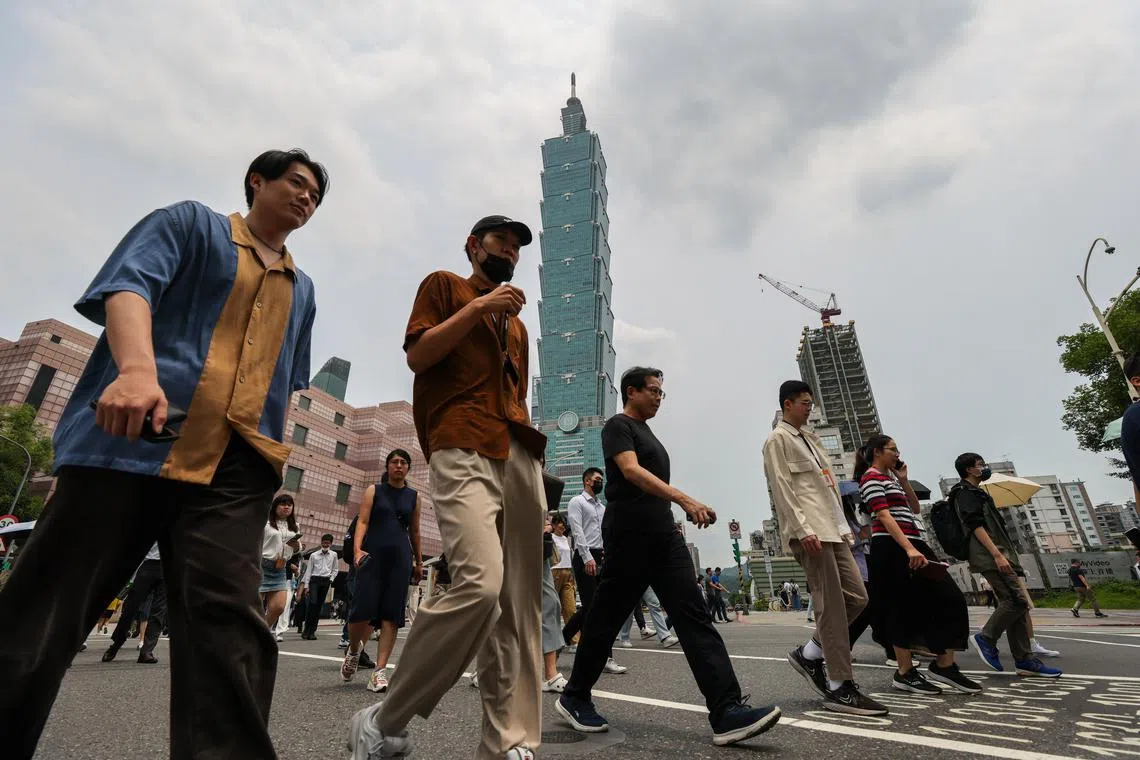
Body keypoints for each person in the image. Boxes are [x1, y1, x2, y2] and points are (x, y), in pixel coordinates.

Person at [0, 149, 327, 759]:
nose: (307, 198)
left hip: (236, 469)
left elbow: (287, 380)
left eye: (316, 195)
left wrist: (270, 463)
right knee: (44, 611)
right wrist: (135, 370)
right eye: (297, 183)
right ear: (257, 181)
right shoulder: (189, 224)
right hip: (130, 440)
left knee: (229, 629)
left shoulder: (302, 288)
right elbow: (129, 287)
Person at [348, 215, 548, 760]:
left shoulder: (520, 326)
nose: (509, 249)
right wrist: (480, 307)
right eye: (499, 240)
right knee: (480, 587)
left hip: (519, 452)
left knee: (517, 606)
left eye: (516, 245)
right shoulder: (445, 286)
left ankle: (507, 739)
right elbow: (418, 355)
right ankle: (385, 718)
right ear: (472, 245)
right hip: (461, 441)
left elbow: (514, 391)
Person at [556, 366, 781, 746]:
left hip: (663, 535)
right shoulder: (618, 426)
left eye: (662, 393)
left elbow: (650, 484)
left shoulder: (648, 433)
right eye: (654, 391)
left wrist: (675, 518)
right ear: (632, 391)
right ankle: (575, 696)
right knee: (605, 618)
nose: (660, 397)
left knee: (693, 615)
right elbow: (629, 471)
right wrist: (684, 499)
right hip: (629, 534)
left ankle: (727, 711)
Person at [763, 380, 885, 716]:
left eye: (810, 403)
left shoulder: (812, 440)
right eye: (804, 402)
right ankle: (839, 686)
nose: (809, 408)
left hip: (833, 530)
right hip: (811, 531)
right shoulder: (778, 440)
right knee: (829, 605)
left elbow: (828, 491)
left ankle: (811, 653)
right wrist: (802, 529)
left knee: (858, 598)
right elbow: (783, 488)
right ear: (787, 404)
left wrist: (845, 530)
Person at [856, 436, 981, 696]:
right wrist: (908, 548)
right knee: (900, 608)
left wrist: (903, 480)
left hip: (913, 542)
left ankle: (944, 665)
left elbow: (913, 508)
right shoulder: (870, 478)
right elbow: (883, 516)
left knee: (949, 598)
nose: (898, 454)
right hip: (892, 546)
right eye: (893, 450)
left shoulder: (891, 479)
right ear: (878, 452)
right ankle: (905, 672)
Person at [952, 453, 1062, 678]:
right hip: (990, 556)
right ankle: (986, 638)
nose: (984, 468)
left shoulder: (977, 493)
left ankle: (1024, 660)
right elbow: (975, 526)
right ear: (969, 470)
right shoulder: (965, 493)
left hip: (999, 554)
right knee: (1016, 601)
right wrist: (997, 555)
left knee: (1017, 606)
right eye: (980, 464)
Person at [342, 449, 423, 693]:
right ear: (387, 466)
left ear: (408, 468)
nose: (398, 466)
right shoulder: (373, 491)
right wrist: (357, 550)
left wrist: (418, 562)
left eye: (403, 462)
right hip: (372, 556)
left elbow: (415, 531)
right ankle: (355, 650)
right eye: (394, 462)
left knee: (391, 615)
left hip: (400, 558)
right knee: (360, 613)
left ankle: (379, 671)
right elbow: (363, 522)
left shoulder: (414, 497)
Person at [562, 469, 626, 672]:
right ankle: (604, 657)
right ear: (587, 481)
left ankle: (560, 640)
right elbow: (578, 531)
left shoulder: (602, 507)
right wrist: (587, 556)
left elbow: (605, 531)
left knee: (598, 607)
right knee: (594, 609)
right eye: (597, 479)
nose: (600, 483)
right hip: (584, 557)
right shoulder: (576, 502)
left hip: (602, 556)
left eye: (601, 480)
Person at [101, 543, 167, 664]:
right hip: (147, 565)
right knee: (130, 609)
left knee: (159, 612)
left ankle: (146, 652)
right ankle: (115, 646)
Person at [262, 495, 302, 632]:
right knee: (254, 607)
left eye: (289, 505)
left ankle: (262, 632)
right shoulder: (265, 522)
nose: (286, 507)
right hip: (261, 566)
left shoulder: (295, 526)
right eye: (283, 504)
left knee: (279, 607)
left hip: (281, 568)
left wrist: (296, 546)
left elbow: (297, 549)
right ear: (275, 506)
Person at [299, 534, 339, 639]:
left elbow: (335, 569)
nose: (325, 544)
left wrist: (331, 579)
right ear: (321, 542)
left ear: (331, 543)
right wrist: (306, 586)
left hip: (326, 581)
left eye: (327, 543)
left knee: (318, 607)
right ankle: (306, 630)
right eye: (324, 542)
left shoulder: (334, 555)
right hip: (314, 581)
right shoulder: (314, 555)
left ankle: (312, 632)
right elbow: (309, 570)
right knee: (312, 604)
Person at [550, 515, 577, 632]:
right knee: (552, 607)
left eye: (564, 524)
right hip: (554, 572)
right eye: (560, 523)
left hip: (568, 572)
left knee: (570, 608)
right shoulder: (550, 538)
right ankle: (551, 639)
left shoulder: (566, 539)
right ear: (554, 525)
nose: (563, 526)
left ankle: (573, 640)